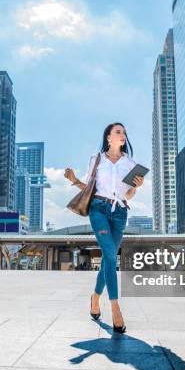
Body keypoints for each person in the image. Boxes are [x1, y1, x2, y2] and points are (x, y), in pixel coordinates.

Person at [64, 122, 144, 333]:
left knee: (108, 258)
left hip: (120, 213)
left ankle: (95, 298)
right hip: (98, 208)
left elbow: (128, 195)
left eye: (124, 132)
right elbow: (89, 189)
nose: (123, 135)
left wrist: (135, 187)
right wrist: (74, 180)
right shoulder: (96, 159)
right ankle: (115, 307)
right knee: (110, 256)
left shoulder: (130, 163)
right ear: (108, 137)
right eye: (118, 132)